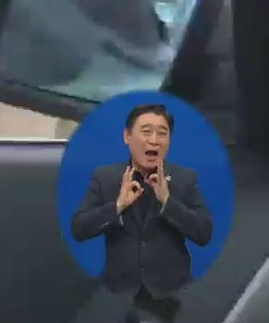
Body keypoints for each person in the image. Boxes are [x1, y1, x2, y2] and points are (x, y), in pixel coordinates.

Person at [69, 103, 214, 297]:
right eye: (146, 132)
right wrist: (118, 205)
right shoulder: (105, 177)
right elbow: (79, 229)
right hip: (118, 291)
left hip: (172, 293)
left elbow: (203, 233)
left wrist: (167, 201)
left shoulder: (185, 179)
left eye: (162, 133)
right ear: (127, 137)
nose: (154, 140)